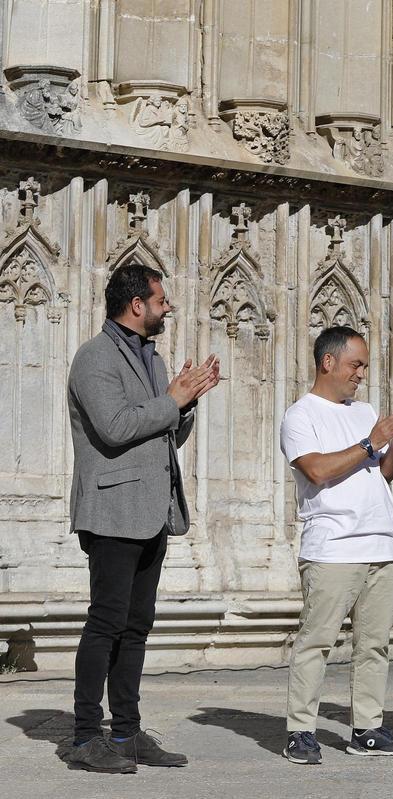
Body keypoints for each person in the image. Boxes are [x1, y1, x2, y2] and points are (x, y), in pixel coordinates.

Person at [66, 263, 220, 773]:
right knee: (105, 623)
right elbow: (113, 428)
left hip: (153, 510)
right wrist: (172, 399)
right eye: (161, 300)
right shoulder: (94, 358)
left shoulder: (152, 359)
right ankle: (87, 736)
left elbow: (163, 433)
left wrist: (187, 402)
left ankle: (127, 733)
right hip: (112, 510)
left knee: (137, 627)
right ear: (137, 305)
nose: (167, 307)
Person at [279, 326, 393, 765]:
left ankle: (368, 728)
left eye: (363, 366)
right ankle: (300, 731)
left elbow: (383, 473)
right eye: (355, 364)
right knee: (315, 642)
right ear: (328, 362)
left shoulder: (365, 412)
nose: (361, 373)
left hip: (381, 544)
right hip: (333, 547)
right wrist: (372, 441)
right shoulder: (300, 415)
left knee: (374, 644)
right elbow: (318, 471)